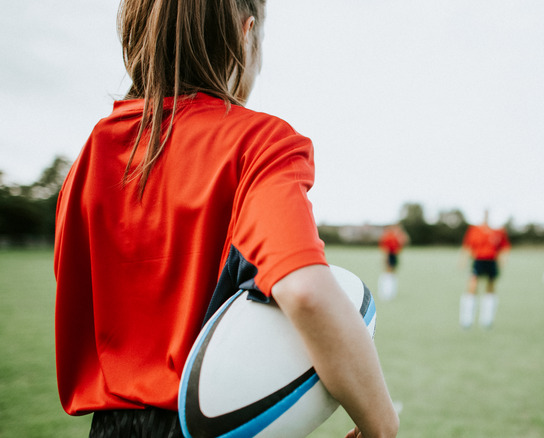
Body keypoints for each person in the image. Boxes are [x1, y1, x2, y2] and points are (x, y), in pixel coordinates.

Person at [53, 1, 398, 437]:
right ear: (246, 32)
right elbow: (306, 290)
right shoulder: (260, 144)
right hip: (207, 425)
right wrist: (381, 425)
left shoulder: (91, 154)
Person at [458, 210, 511, 329]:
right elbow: (467, 246)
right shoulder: (475, 229)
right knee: (472, 287)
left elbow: (504, 247)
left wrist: (504, 259)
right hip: (478, 260)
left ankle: (487, 320)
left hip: (492, 261)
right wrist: (463, 260)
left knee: (490, 288)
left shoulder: (498, 230)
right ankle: (466, 320)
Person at [377, 224, 408, 300]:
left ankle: (390, 292)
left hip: (394, 255)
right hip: (389, 255)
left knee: (392, 273)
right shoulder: (388, 236)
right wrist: (386, 258)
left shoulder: (396, 236)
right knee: (388, 273)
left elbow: (405, 241)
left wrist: (401, 233)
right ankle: (385, 293)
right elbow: (386, 248)